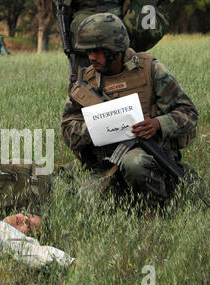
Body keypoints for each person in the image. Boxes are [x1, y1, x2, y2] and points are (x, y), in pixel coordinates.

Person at [61, 13, 198, 209]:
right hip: (106, 164)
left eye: (98, 51)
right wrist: (99, 127)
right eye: (88, 51)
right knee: (85, 202)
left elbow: (189, 113)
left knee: (134, 163)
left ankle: (154, 210)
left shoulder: (150, 69)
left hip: (148, 157)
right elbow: (67, 130)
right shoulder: (85, 83)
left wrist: (158, 124)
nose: (91, 57)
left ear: (115, 49)